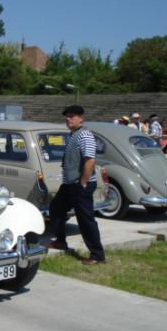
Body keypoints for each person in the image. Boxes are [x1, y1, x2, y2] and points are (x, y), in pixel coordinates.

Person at [48, 105, 105, 265]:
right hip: (69, 184)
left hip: (80, 185)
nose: (68, 119)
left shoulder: (84, 135)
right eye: (67, 116)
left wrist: (83, 183)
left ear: (81, 118)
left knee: (86, 219)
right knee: (56, 209)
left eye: (72, 116)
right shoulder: (74, 135)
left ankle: (97, 255)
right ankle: (60, 241)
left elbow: (90, 160)